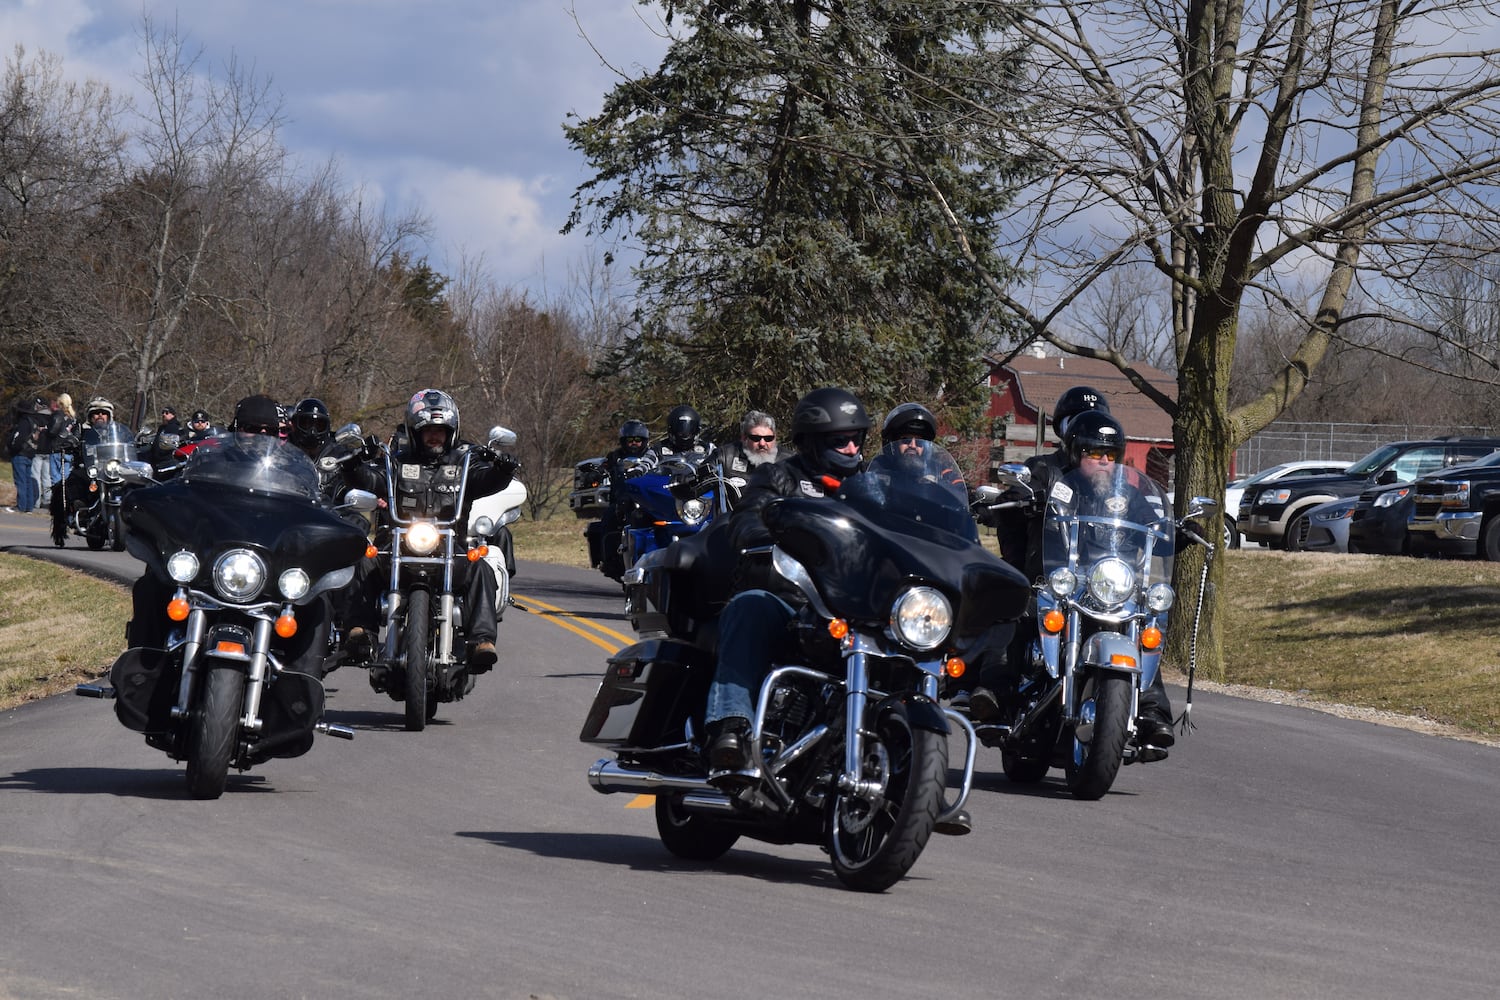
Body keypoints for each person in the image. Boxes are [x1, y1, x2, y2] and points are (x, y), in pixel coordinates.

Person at [971, 407, 1177, 755]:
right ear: (1075, 453)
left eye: (1110, 455)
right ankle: (995, 691)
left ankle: (1154, 711)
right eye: (1093, 453)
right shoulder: (1052, 479)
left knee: (1144, 627)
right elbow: (1013, 502)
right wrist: (1021, 500)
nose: (1102, 461)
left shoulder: (1129, 496)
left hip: (1108, 585)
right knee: (1022, 611)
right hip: (1059, 580)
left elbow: (1154, 523)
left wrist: (1180, 530)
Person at [703, 386, 872, 773]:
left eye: (856, 438)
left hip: (856, 607)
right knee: (750, 607)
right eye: (840, 440)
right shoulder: (778, 477)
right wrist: (761, 534)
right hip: (790, 598)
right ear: (812, 442)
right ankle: (730, 726)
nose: (851, 448)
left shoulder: (872, 487)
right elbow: (748, 517)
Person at [340, 388, 518, 675]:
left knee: (481, 569)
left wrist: (502, 469)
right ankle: (360, 632)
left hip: (451, 550)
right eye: (428, 430)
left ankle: (481, 642)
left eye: (441, 430)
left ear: (452, 432)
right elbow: (371, 479)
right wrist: (352, 467)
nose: (435, 436)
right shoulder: (396, 462)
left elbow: (488, 479)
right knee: (364, 560)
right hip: (398, 548)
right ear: (414, 432)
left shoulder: (465, 464)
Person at [586, 419, 658, 579]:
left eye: (637, 440)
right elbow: (603, 467)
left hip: (646, 500)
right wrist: (595, 474)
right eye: (630, 440)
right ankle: (608, 559)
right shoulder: (615, 456)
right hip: (620, 500)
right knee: (608, 518)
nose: (634, 444)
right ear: (623, 441)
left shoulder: (652, 456)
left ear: (644, 441)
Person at [879, 402, 965, 489]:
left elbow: (959, 486)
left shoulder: (939, 471)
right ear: (891, 442)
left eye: (919, 441)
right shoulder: (878, 468)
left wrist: (973, 494)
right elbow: (866, 478)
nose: (913, 445)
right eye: (906, 439)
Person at [708, 410, 779, 498]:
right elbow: (694, 485)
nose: (762, 443)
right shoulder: (724, 457)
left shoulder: (788, 461)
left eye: (768, 438)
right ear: (744, 438)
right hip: (734, 511)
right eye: (756, 438)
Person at [6, 396, 51, 514]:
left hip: (21, 453)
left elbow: (18, 438)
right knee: (28, 481)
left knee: (21, 481)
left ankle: (21, 506)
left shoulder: (24, 422)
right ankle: (29, 506)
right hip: (30, 453)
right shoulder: (34, 421)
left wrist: (12, 447)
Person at [46, 394, 79, 506]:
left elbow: (52, 431)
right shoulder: (73, 418)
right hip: (69, 451)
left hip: (57, 449)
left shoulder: (58, 415)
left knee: (56, 478)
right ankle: (66, 501)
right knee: (66, 478)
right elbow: (77, 434)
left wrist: (47, 432)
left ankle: (58, 502)